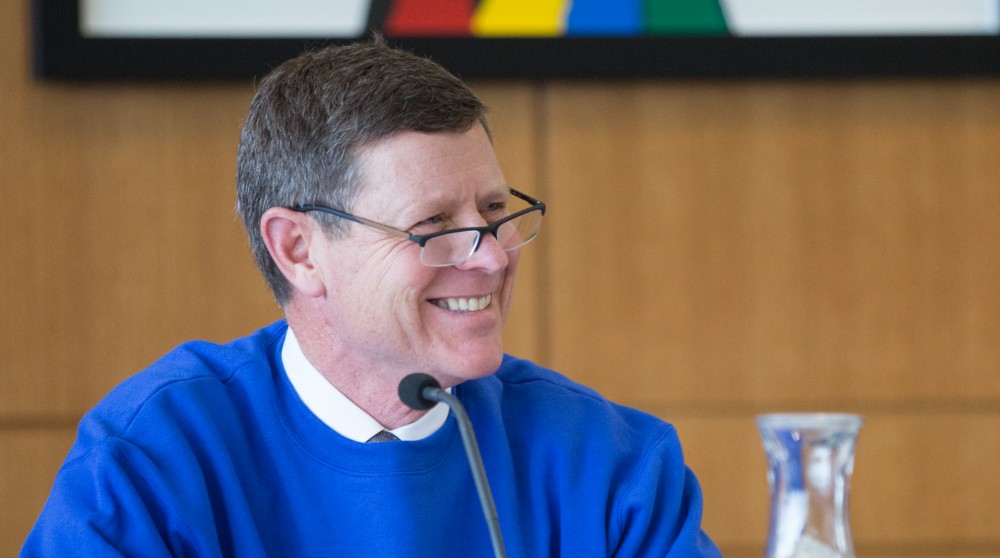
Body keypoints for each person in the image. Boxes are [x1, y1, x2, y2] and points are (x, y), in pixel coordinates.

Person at [22, 38, 721, 557]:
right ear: (299, 250)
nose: (490, 256)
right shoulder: (152, 458)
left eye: (492, 211)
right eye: (431, 226)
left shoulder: (607, 461)